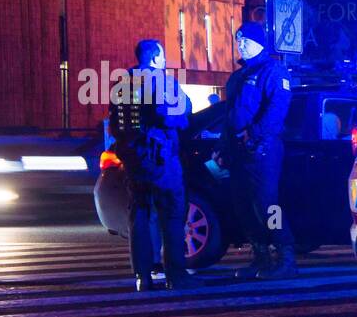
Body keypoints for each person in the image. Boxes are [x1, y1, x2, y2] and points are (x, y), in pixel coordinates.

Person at [109, 39, 199, 292]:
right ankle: (176, 275)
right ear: (155, 57)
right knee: (172, 213)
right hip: (161, 158)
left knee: (139, 214)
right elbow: (179, 113)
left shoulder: (123, 82)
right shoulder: (162, 80)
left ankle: (143, 277)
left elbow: (115, 123)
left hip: (133, 159)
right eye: (163, 55)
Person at [217, 22, 297, 280]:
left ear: (260, 43)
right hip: (238, 152)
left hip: (262, 150)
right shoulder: (237, 76)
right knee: (243, 206)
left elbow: (277, 110)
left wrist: (254, 134)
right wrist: (223, 146)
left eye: (246, 41)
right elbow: (229, 116)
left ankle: (286, 258)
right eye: (238, 40)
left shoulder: (273, 71)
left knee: (267, 205)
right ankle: (261, 257)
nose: (241, 44)